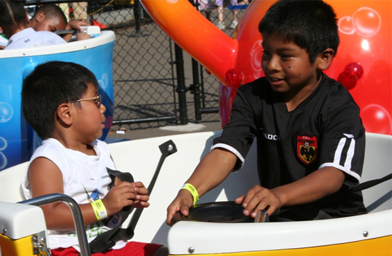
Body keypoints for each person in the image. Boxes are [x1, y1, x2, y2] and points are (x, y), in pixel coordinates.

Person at [167, 0, 367, 225]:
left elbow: (333, 176)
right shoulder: (252, 96)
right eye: (267, 52)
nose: (271, 65)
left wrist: (279, 195)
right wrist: (189, 192)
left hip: (336, 222)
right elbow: (226, 151)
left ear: (323, 58)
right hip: (278, 218)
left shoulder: (338, 105)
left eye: (285, 56)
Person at [21, 61, 168, 256]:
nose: (103, 109)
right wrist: (105, 206)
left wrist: (128, 200)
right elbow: (49, 214)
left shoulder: (102, 150)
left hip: (108, 244)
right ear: (66, 113)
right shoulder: (48, 160)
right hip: (69, 249)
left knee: (161, 252)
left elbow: (109, 205)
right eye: (96, 101)